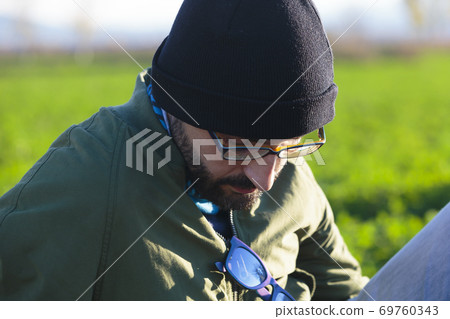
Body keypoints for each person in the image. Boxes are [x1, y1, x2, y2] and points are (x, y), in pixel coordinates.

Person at [0, 0, 369, 300]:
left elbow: (350, 298)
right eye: (239, 146)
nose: (267, 178)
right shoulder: (89, 181)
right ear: (176, 104)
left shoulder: (287, 173)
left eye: (287, 145)